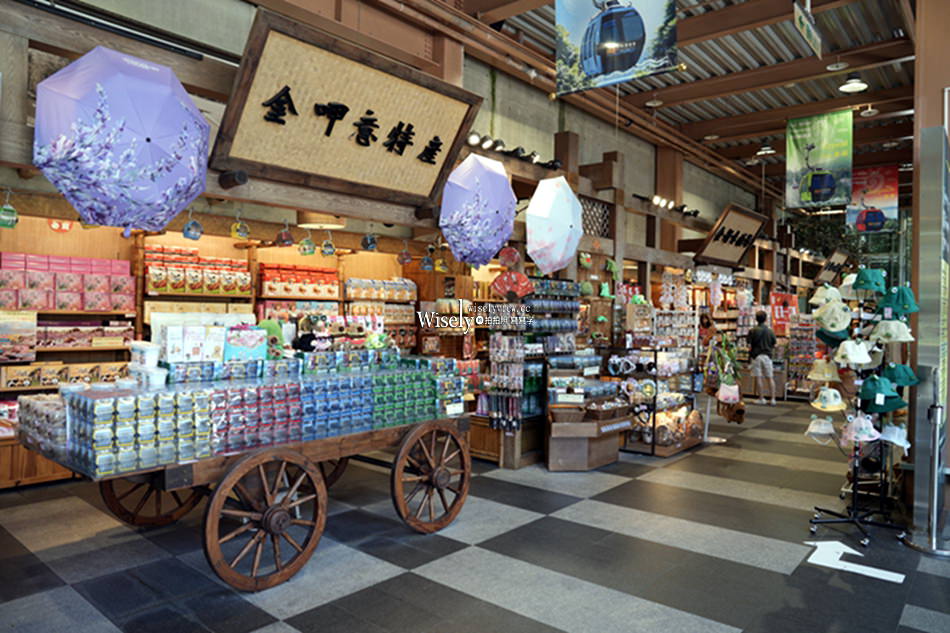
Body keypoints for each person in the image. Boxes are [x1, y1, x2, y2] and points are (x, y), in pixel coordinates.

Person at [748, 310, 777, 406]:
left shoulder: (752, 331)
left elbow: (749, 344)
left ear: (756, 319)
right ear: (766, 319)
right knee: (770, 378)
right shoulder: (770, 331)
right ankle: (773, 399)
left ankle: (761, 398)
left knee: (758, 377)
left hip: (756, 356)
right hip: (767, 356)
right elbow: (774, 343)